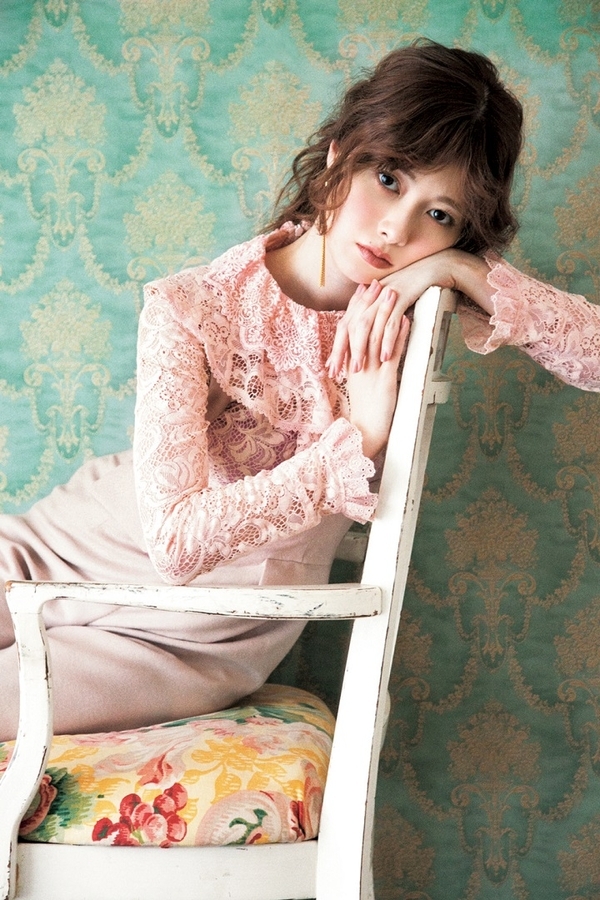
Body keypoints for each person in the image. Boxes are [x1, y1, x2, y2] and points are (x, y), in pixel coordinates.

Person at [0, 39, 588, 742]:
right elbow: (175, 542)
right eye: (390, 178)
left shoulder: (410, 308)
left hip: (195, 640)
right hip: (56, 551)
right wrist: (355, 443)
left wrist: (462, 273)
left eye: (440, 215)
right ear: (340, 153)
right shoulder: (193, 305)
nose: (397, 228)